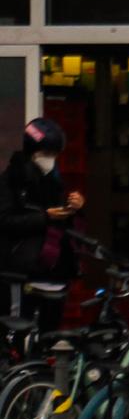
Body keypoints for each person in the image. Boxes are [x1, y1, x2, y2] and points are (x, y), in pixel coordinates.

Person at [2, 118, 84, 332]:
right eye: (47, 153)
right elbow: (5, 222)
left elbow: (67, 227)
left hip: (54, 272)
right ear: (33, 151)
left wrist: (74, 209)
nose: (51, 159)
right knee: (18, 332)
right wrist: (45, 217)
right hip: (22, 274)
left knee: (50, 336)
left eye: (55, 154)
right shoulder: (13, 180)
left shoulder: (55, 181)